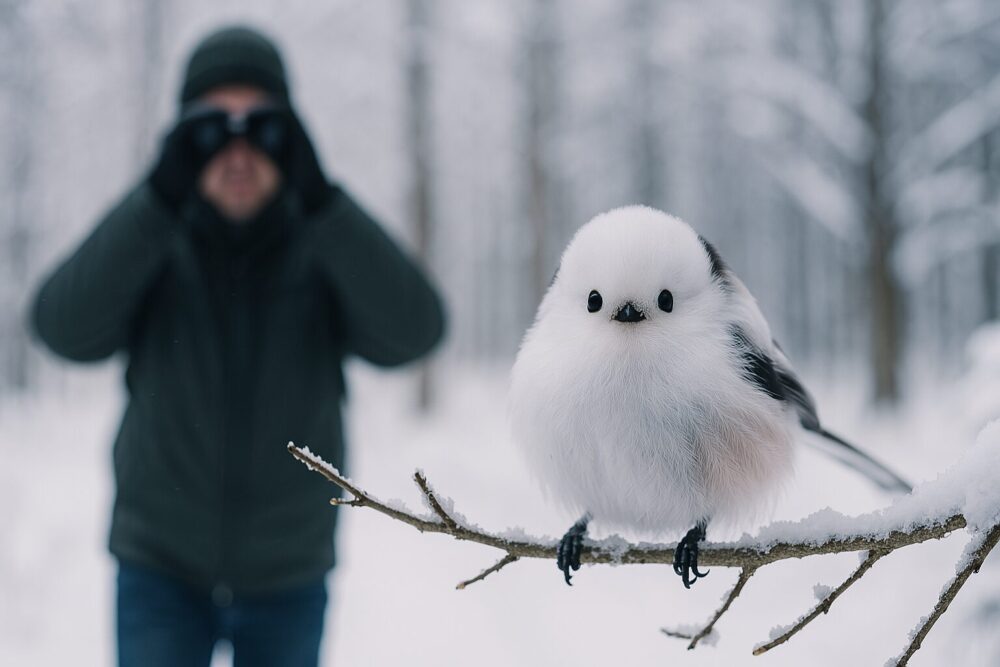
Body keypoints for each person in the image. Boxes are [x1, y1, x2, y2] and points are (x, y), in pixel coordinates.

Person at [30, 25, 445, 667]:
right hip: (159, 567)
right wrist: (155, 200)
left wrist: (324, 200)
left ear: (291, 138)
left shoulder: (320, 245)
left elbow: (416, 330)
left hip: (289, 572)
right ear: (181, 142)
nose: (237, 151)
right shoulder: (155, 243)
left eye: (261, 128)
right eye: (210, 130)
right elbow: (60, 328)